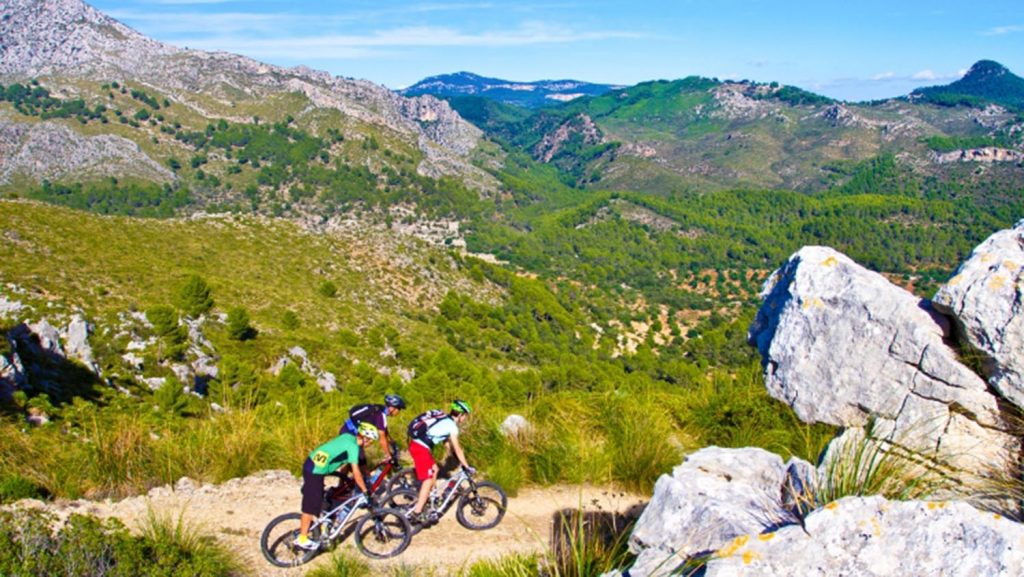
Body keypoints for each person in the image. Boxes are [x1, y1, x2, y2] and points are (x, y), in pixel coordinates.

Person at [293, 421, 379, 551]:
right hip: (315, 470)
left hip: (311, 463)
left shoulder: (348, 437)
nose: (370, 444)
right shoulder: (353, 447)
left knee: (318, 498)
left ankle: (320, 523)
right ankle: (302, 539)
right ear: (365, 438)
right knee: (310, 507)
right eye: (370, 441)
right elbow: (356, 472)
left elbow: (336, 451)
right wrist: (365, 490)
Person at [406, 399, 475, 524]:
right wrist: (466, 466)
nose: (465, 419)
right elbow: (458, 448)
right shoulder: (452, 426)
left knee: (435, 469)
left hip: (418, 445)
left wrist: (454, 457)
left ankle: (430, 497)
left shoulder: (444, 419)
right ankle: (417, 513)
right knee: (427, 480)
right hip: (421, 448)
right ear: (460, 415)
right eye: (465, 416)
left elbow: (447, 443)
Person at [340, 393, 406, 463]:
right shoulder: (381, 415)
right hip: (351, 436)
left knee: (352, 464)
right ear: (392, 408)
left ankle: (341, 473)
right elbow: (382, 438)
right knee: (362, 465)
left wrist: (393, 443)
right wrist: (388, 456)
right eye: (399, 409)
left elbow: (385, 433)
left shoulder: (378, 409)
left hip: (345, 429)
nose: (398, 412)